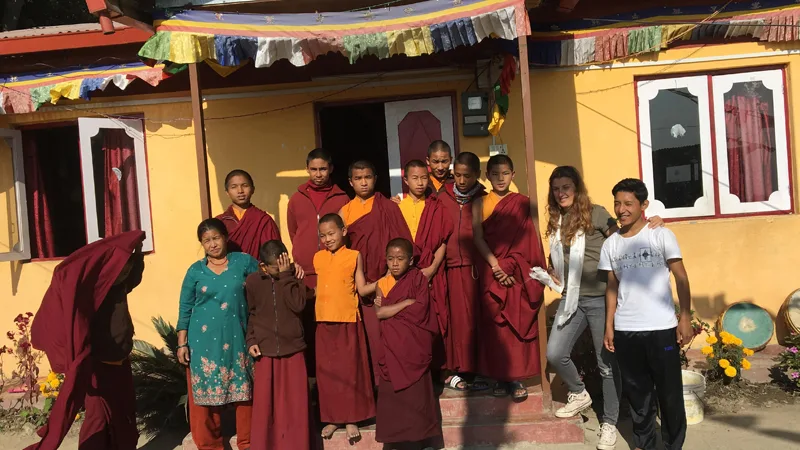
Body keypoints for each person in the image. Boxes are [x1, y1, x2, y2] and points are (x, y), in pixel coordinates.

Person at [544, 166, 664, 450]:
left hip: (600, 298)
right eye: (556, 188)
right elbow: (559, 259)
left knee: (606, 366)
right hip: (571, 298)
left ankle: (609, 422)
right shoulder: (556, 220)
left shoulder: (596, 213)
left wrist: (651, 222)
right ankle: (579, 393)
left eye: (566, 187)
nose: (561, 193)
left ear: (577, 188)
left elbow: (625, 234)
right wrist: (550, 271)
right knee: (555, 352)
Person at [27, 231, 145, 450]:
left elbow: (134, 276)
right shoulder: (91, 293)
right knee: (98, 419)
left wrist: (137, 250)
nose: (125, 270)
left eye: (127, 265)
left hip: (120, 360)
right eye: (122, 266)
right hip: (98, 366)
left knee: (122, 414)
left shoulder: (119, 288)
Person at [600, 179, 692, 450]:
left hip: (661, 327)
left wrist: (684, 318)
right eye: (617, 203)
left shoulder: (660, 235)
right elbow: (612, 287)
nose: (621, 209)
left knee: (670, 394)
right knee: (638, 395)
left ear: (643, 205)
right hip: (627, 329)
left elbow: (682, 279)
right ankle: (644, 444)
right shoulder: (612, 244)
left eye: (628, 203)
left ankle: (673, 444)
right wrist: (609, 326)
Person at [177, 218, 259, 450]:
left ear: (225, 237)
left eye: (216, 238)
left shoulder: (244, 262)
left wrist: (290, 270)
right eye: (206, 241)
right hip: (203, 343)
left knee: (244, 394)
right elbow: (185, 307)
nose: (212, 244)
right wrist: (182, 343)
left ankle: (248, 443)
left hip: (238, 339)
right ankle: (210, 446)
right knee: (205, 399)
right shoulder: (195, 271)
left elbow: (266, 281)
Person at [472, 155, 545, 400]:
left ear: (513, 175)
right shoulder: (479, 203)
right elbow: (478, 237)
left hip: (516, 273)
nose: (500, 178)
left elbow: (530, 240)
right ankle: (498, 376)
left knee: (513, 323)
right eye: (495, 174)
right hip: (491, 270)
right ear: (487, 176)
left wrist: (509, 266)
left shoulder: (523, 203)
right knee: (494, 324)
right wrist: (496, 266)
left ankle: (514, 377)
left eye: (505, 173)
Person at [339, 160, 413, 383]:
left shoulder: (388, 207)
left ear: (375, 179)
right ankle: (375, 386)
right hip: (360, 285)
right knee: (369, 339)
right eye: (358, 178)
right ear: (350, 182)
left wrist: (392, 275)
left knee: (393, 337)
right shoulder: (345, 211)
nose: (364, 183)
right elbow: (343, 251)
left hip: (391, 280)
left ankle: (396, 382)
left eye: (368, 177)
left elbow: (403, 242)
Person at [314, 213, 378, 441]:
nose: (328, 239)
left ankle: (351, 418)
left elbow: (361, 289)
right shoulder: (318, 258)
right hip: (323, 321)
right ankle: (333, 418)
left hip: (348, 320)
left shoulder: (353, 256)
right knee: (328, 374)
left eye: (331, 233)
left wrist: (386, 281)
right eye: (323, 236)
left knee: (350, 372)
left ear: (343, 231)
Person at [246, 240, 315, 450]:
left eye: (284, 263)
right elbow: (252, 313)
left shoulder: (294, 277)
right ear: (263, 266)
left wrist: (287, 276)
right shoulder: (253, 282)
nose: (281, 269)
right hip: (265, 350)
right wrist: (251, 340)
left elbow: (298, 305)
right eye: (276, 267)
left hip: (293, 348)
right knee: (266, 407)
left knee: (296, 405)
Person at [287, 148, 349, 376]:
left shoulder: (342, 198)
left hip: (332, 271)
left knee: (330, 323)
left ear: (331, 169)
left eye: (323, 169)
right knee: (308, 324)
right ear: (307, 170)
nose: (318, 174)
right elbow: (294, 232)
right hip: (305, 273)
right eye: (313, 169)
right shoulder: (296, 199)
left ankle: (335, 372)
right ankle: (312, 376)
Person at [374, 238, 442, 447]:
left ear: (411, 261)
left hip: (413, 349)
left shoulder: (418, 279)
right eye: (390, 259)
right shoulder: (382, 283)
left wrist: (390, 309)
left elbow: (421, 310)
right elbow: (380, 313)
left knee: (416, 399)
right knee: (393, 398)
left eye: (400, 259)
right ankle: (395, 441)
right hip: (392, 349)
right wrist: (405, 302)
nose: (394, 263)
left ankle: (419, 440)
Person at [437, 151, 487, 392]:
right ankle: (452, 370)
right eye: (457, 175)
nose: (461, 181)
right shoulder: (441, 197)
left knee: (474, 320)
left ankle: (476, 369)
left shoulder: (484, 199)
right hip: (447, 267)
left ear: (477, 175)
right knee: (452, 321)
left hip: (476, 269)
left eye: (467, 176)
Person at [398, 160, 451, 348]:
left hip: (430, 272)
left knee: (435, 319)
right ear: (405, 180)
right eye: (415, 178)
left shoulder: (435, 207)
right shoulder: (397, 208)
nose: (420, 183)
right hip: (405, 275)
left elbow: (442, 241)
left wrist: (432, 269)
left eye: (423, 178)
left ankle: (440, 370)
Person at [217, 169, 281, 259]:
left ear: (253, 189)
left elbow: (274, 254)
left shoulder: (263, 220)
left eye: (245, 185)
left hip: (258, 271)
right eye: (234, 187)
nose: (240, 191)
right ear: (227, 192)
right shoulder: (220, 222)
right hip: (228, 272)